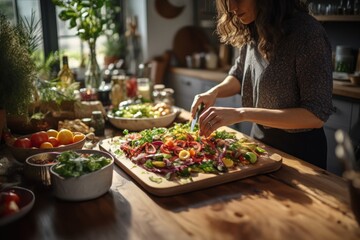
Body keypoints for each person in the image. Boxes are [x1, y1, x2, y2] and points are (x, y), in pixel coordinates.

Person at [190, 0, 334, 169]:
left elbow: (315, 116)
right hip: (260, 144)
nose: (231, 7)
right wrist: (213, 92)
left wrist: (241, 113)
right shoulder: (253, 26)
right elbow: (239, 75)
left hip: (300, 155)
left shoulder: (308, 33)